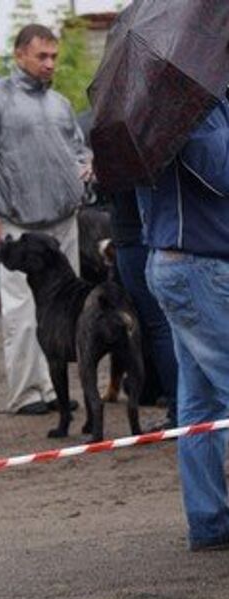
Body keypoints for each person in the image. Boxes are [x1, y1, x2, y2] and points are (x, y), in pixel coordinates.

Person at [0, 23, 90, 416]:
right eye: (41, 56)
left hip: (64, 223)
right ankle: (28, 391)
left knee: (64, 311)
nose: (50, 63)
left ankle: (56, 391)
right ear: (19, 56)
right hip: (19, 228)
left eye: (53, 56)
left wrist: (84, 174)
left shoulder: (60, 104)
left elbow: (79, 152)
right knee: (23, 314)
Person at [137, 96, 229, 551]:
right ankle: (210, 522)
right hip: (197, 264)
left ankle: (210, 522)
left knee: (200, 405)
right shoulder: (194, 105)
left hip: (181, 261)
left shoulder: (162, 101)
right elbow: (220, 170)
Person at [108, 189, 177, 430]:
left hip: (135, 233)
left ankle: (179, 410)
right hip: (165, 230)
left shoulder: (125, 155)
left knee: (158, 327)